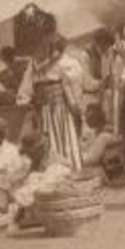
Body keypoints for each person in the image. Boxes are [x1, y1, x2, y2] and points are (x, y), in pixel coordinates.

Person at [20, 29, 84, 171]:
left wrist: (73, 102)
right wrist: (26, 101)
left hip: (59, 108)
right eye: (47, 46)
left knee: (62, 136)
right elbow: (27, 85)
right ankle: (49, 168)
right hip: (42, 108)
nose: (50, 50)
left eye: (54, 47)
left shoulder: (68, 63)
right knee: (46, 136)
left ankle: (67, 167)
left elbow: (74, 86)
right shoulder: (35, 63)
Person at [10, 131, 73, 224]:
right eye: (27, 153)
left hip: (57, 208)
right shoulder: (36, 161)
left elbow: (39, 190)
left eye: (30, 153)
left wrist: (17, 199)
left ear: (40, 149)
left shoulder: (58, 166)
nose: (28, 156)